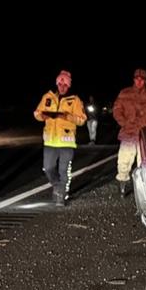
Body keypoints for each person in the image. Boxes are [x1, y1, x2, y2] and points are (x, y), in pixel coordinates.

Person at [33, 70, 86, 206]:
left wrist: (66, 116)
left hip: (66, 142)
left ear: (69, 86)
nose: (62, 87)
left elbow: (82, 120)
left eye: (65, 85)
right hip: (50, 141)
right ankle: (57, 186)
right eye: (60, 84)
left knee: (63, 171)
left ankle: (61, 196)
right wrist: (42, 116)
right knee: (48, 168)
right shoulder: (48, 97)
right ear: (57, 84)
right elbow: (37, 113)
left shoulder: (74, 100)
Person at [111, 67, 146, 197]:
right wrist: (124, 123)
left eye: (142, 79)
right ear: (134, 79)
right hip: (129, 132)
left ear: (145, 81)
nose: (139, 81)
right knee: (124, 161)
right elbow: (116, 110)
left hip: (145, 134)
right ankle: (122, 185)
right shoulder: (124, 93)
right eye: (137, 79)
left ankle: (143, 188)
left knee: (144, 162)